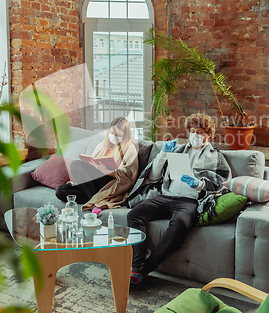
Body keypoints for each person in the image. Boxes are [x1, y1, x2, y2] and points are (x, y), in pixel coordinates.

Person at [126, 112, 231, 286]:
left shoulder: (216, 156)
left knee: (181, 223)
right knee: (134, 215)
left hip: (189, 201)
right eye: (192, 130)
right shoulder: (177, 150)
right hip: (166, 195)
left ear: (209, 135)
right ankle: (136, 266)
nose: (195, 135)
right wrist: (163, 155)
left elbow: (222, 184)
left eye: (200, 132)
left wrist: (198, 184)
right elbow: (153, 175)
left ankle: (143, 270)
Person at [55, 117, 138, 214]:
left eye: (117, 135)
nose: (113, 137)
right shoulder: (103, 145)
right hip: (93, 184)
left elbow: (129, 177)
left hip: (110, 182)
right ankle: (94, 199)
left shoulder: (130, 148)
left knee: (75, 164)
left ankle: (94, 200)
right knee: (60, 191)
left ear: (125, 135)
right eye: (111, 133)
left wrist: (108, 171)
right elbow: (89, 166)